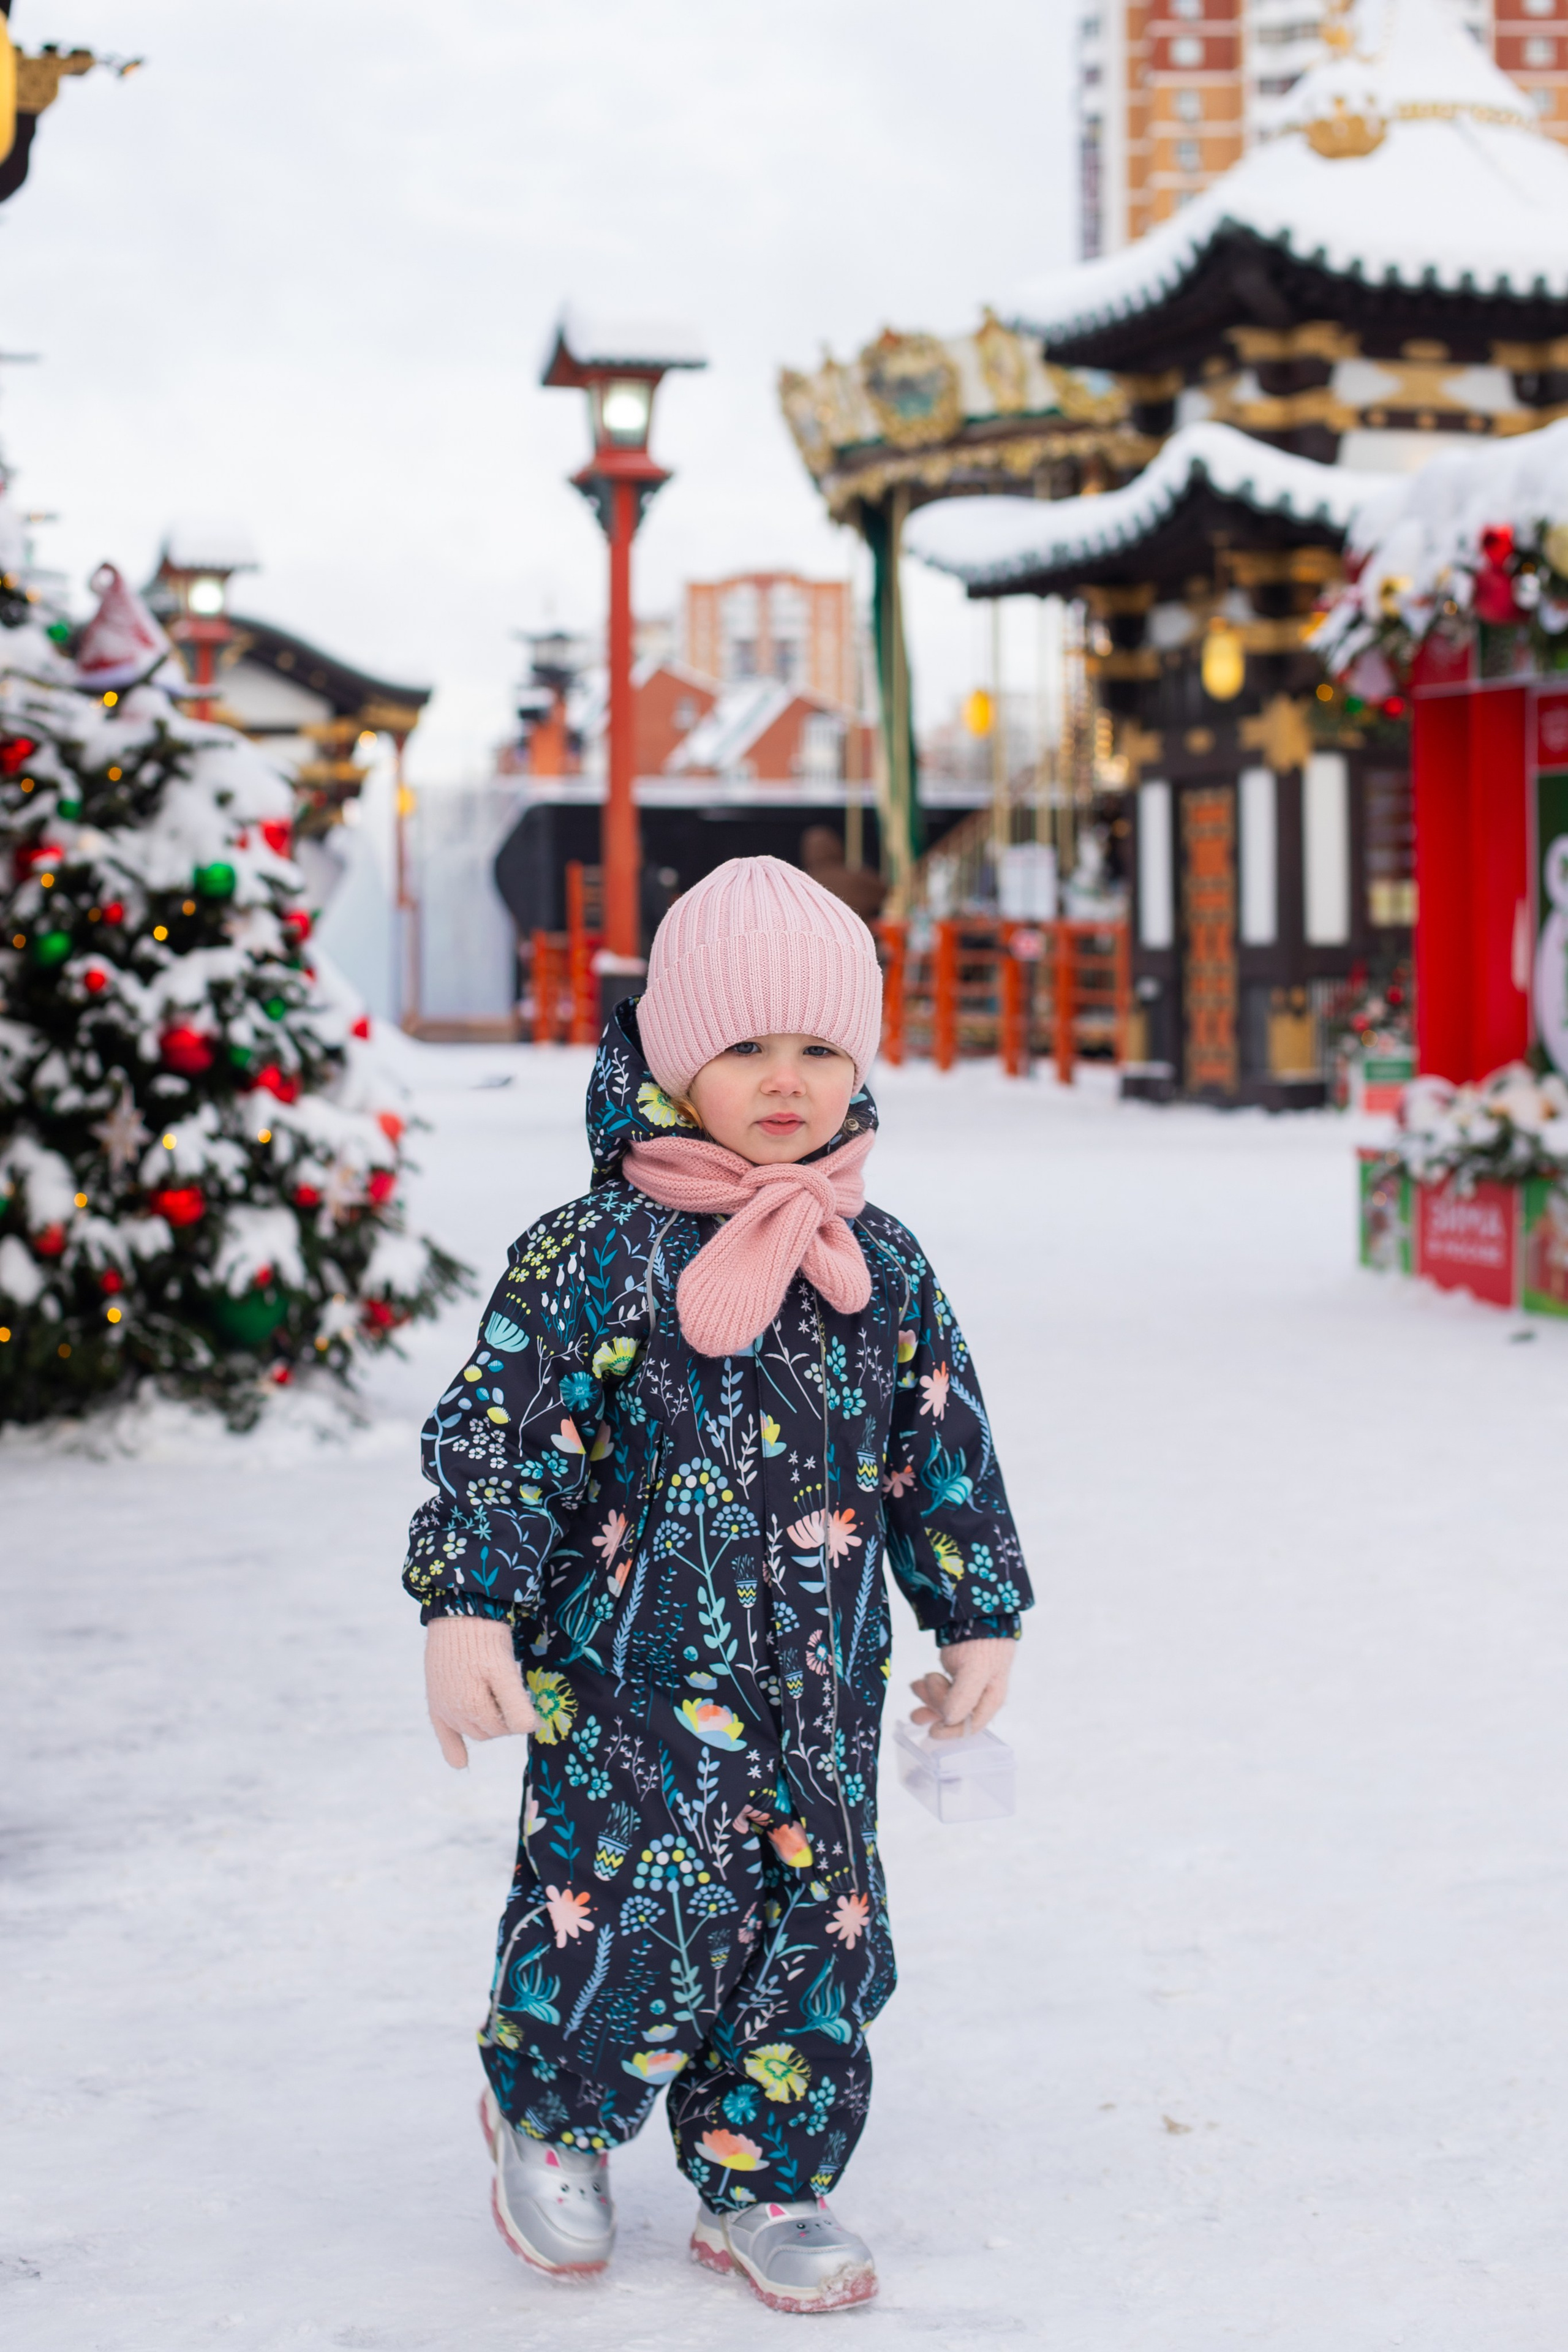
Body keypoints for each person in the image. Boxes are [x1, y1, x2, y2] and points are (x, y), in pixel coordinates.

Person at [405, 855, 1031, 2314]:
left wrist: (976, 1612)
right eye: (745, 1046)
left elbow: (939, 1445)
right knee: (615, 1915)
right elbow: (502, 1444)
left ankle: (765, 2170)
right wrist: (465, 1606)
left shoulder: (878, 1263)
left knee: (819, 1925)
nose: (785, 1080)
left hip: (820, 1687)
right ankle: (552, 2115)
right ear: (676, 1058)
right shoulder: (590, 1258)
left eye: (818, 1046)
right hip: (623, 1689)